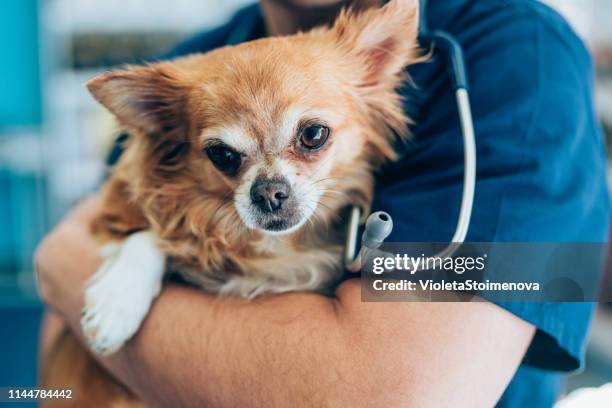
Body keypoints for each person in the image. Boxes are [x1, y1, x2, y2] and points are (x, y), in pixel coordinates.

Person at [36, 0, 609, 406]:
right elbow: (62, 360)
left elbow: (399, 397)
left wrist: (63, 267)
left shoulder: (521, 55)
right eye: (227, 157)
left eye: (311, 137)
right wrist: (107, 262)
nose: (272, 187)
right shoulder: (187, 66)